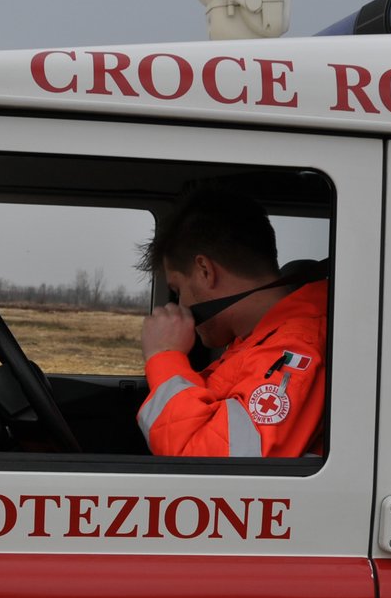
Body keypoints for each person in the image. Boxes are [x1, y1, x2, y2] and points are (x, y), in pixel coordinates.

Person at [136, 190, 328, 457]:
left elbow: (208, 469)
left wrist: (164, 357)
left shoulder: (294, 347)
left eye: (178, 290)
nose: (179, 306)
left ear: (205, 271)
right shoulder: (254, 342)